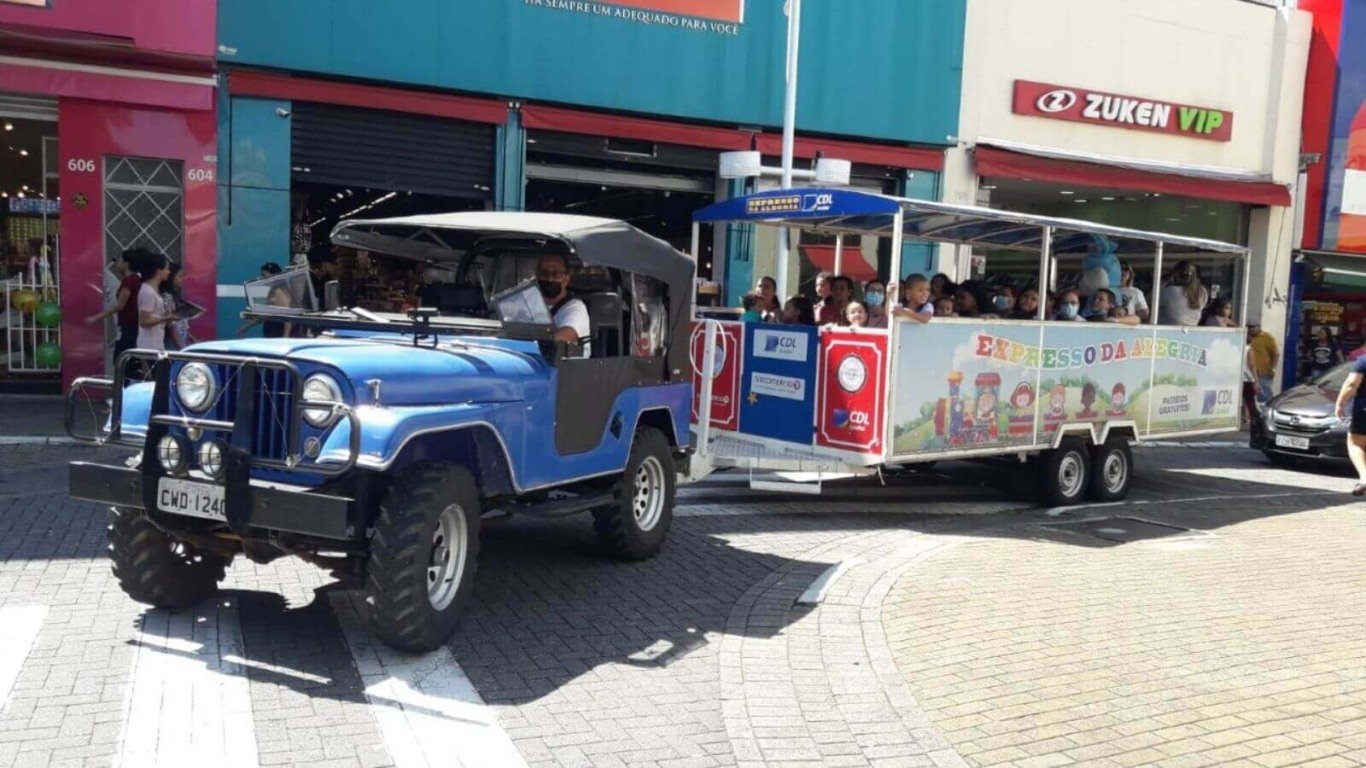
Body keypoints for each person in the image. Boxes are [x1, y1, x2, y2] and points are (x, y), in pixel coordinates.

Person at [84, 248, 149, 377]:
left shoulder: (129, 280)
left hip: (129, 328)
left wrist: (96, 317)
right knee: (133, 361)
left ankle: (125, 392)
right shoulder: (137, 279)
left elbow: (119, 305)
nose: (117, 263)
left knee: (123, 363)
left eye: (120, 260)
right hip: (134, 327)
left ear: (126, 263)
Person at [536, 252, 591, 355]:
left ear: (566, 279)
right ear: (537, 276)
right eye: (544, 273)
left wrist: (528, 339)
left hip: (567, 368)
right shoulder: (530, 303)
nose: (550, 279)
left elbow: (566, 337)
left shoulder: (576, 308)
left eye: (556, 274)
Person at [1332, 353, 1366, 495]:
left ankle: (1364, 478)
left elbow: (1351, 384)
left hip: (1363, 409)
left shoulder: (1363, 361)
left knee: (1355, 443)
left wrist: (1340, 404)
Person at [135, 253, 175, 357]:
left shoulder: (155, 290)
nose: (169, 272)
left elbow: (156, 316)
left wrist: (167, 316)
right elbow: (144, 321)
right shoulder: (147, 291)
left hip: (157, 343)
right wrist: (165, 317)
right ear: (158, 271)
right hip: (148, 345)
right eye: (167, 269)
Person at [1157, 260, 1208, 326]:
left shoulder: (1169, 291)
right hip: (1192, 328)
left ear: (1176, 275)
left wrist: (1163, 283)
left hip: (1168, 330)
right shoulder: (1202, 292)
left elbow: (1151, 302)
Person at [159, 262, 192, 350]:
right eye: (180, 276)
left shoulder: (176, 296)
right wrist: (180, 347)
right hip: (174, 343)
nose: (183, 279)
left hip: (181, 339)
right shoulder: (166, 297)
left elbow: (183, 323)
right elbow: (171, 326)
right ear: (171, 277)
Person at [1247, 321, 1280, 404]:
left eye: (1253, 327)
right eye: (1250, 327)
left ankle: (1270, 410)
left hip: (1264, 371)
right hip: (1250, 372)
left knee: (1265, 392)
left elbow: (1276, 354)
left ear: (1259, 327)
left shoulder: (1267, 337)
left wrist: (1273, 369)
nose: (1251, 329)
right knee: (1252, 394)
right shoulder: (1248, 338)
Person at [1242, 341, 1261, 426]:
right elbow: (1252, 365)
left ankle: (1246, 418)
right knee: (1250, 402)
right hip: (1247, 379)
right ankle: (1256, 421)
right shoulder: (1248, 349)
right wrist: (1256, 381)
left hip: (1236, 379)